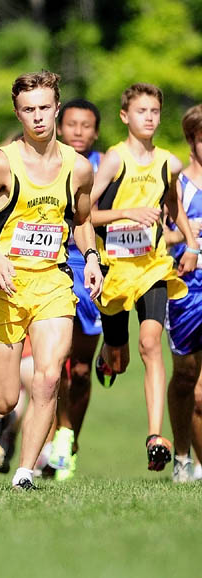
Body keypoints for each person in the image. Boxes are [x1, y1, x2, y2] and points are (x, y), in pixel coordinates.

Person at [0, 70, 102, 490]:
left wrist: (90, 256)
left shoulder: (78, 168)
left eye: (44, 108)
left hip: (53, 283)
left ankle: (24, 472)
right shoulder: (1, 163)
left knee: (51, 376)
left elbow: (83, 219)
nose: (37, 117)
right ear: (18, 113)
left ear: (56, 108)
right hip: (6, 286)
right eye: (28, 110)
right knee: (4, 400)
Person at [91, 83, 198, 472]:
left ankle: (155, 436)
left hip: (152, 265)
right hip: (115, 269)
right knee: (119, 358)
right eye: (141, 111)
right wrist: (127, 213)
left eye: (154, 111)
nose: (149, 118)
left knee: (151, 343)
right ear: (125, 116)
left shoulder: (168, 162)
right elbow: (85, 214)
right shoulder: (114, 161)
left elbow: (173, 207)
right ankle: (108, 357)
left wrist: (190, 243)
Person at [48, 98, 106, 480]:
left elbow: (97, 216)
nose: (79, 131)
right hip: (53, 269)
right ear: (60, 126)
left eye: (86, 125)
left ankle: (69, 439)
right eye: (72, 124)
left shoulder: (106, 168)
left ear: (96, 131)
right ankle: (53, 437)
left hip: (93, 275)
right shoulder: (48, 163)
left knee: (81, 370)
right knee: (55, 366)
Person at [160, 104, 202, 482]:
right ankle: (184, 455)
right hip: (187, 288)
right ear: (192, 141)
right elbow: (164, 232)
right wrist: (190, 233)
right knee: (188, 378)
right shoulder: (179, 185)